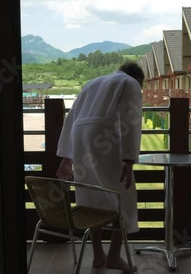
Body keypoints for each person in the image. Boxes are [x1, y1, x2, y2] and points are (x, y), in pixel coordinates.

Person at [56, 61, 144, 273]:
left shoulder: (92, 82)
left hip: (80, 135)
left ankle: (97, 255)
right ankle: (114, 256)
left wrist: (66, 157)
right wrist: (129, 160)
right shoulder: (130, 83)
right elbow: (131, 119)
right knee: (123, 197)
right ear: (139, 79)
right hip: (105, 136)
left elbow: (71, 118)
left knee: (89, 196)